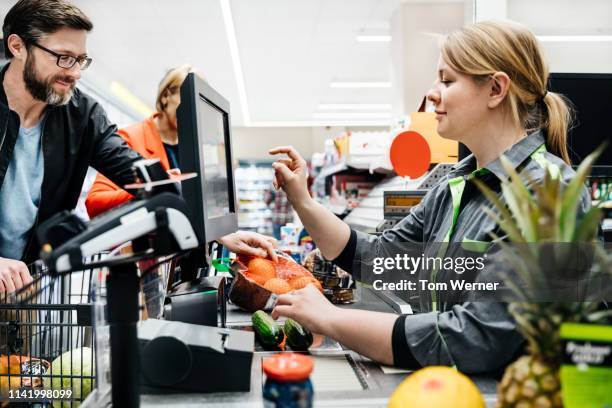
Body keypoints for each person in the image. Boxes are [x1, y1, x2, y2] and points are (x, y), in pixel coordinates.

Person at [268, 20, 590, 373]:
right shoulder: (456, 185)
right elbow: (378, 258)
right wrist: (303, 199)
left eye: (448, 81)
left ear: (496, 89)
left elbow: (478, 336)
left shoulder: (546, 191)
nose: (432, 94)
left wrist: (331, 320)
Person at [85, 65, 278, 261]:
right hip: (145, 261)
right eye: (186, 97)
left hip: (185, 259)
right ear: (166, 96)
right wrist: (159, 187)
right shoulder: (131, 138)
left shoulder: (195, 147)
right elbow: (95, 203)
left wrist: (225, 230)